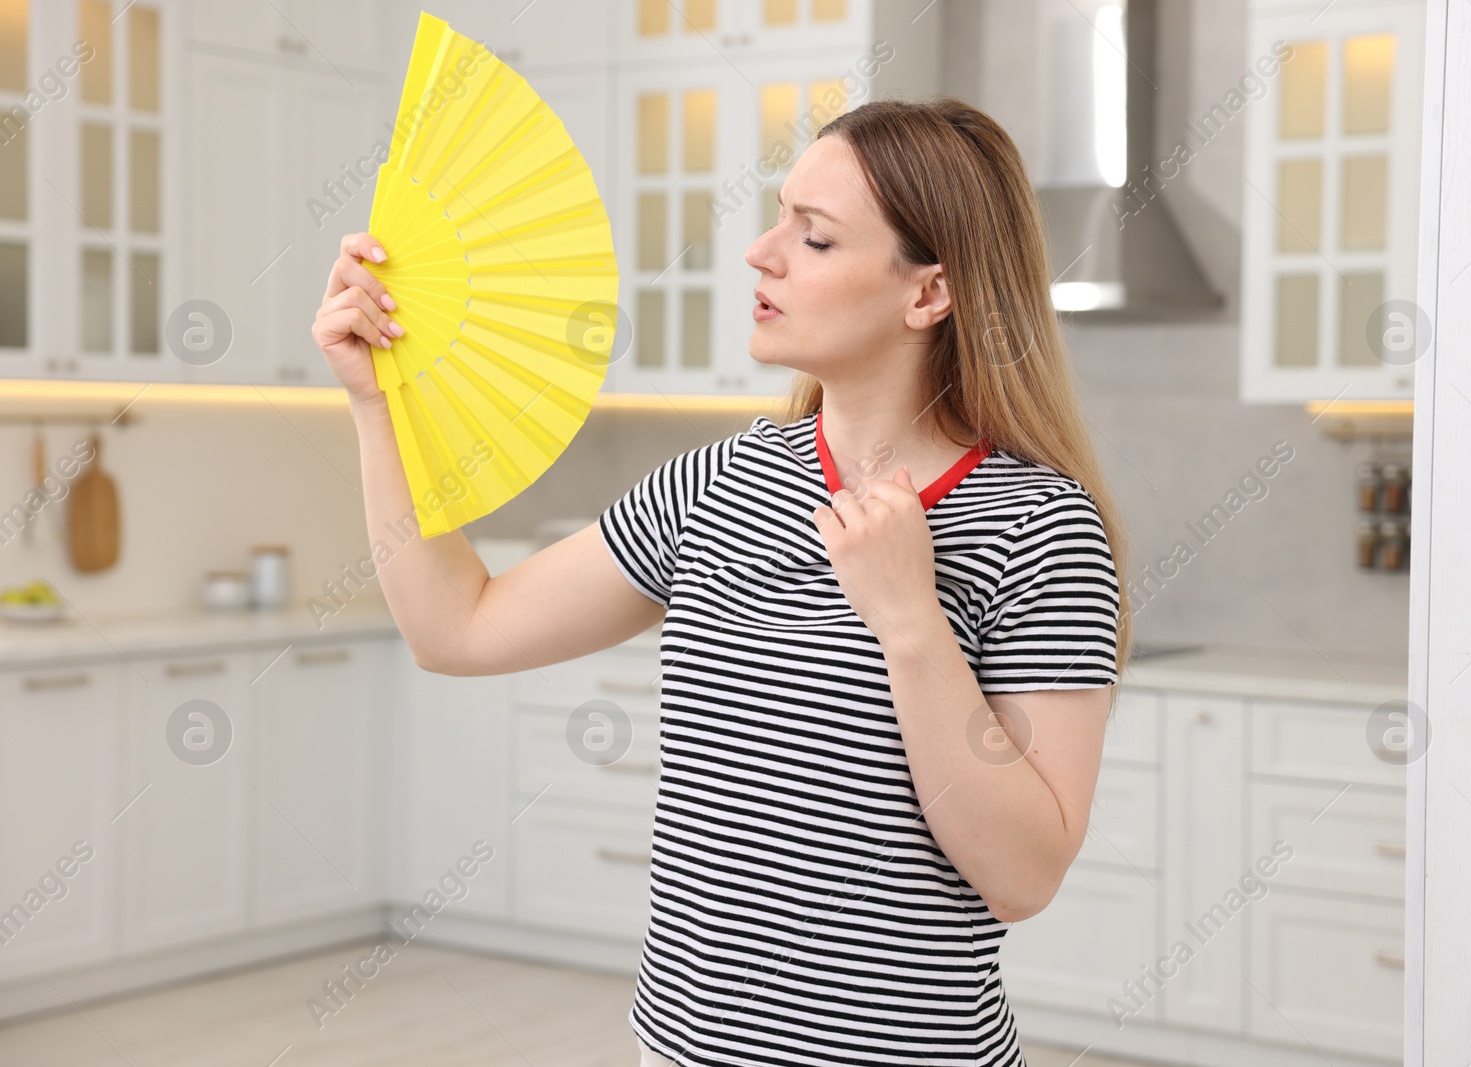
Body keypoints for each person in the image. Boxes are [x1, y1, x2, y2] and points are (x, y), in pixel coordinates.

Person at [313, 96, 1132, 1067]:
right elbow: (457, 627)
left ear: (928, 294)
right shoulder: (720, 482)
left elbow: (1023, 874)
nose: (761, 251)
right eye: (781, 216)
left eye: (813, 237)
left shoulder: (1038, 526)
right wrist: (379, 406)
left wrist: (910, 621)